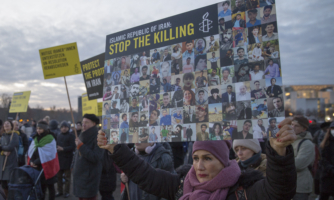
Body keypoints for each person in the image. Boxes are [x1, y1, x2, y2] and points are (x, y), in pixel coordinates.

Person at [97, 116, 297, 200]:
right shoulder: (181, 185)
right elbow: (145, 175)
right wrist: (116, 148)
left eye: (208, 158)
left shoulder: (242, 190)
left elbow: (279, 191)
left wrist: (279, 152)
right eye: (195, 158)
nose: (199, 166)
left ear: (223, 160)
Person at [73, 114, 103, 200]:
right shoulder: (82, 134)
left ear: (94, 124)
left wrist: (81, 146)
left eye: (87, 122)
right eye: (83, 122)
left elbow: (96, 157)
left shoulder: (99, 136)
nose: (83, 124)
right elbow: (77, 153)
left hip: (89, 178)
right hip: (80, 177)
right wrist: (73, 166)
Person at [28, 120, 59, 200]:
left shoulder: (50, 138)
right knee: (41, 187)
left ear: (45, 129)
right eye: (37, 128)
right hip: (38, 167)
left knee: (50, 186)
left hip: (48, 166)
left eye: (40, 129)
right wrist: (31, 161)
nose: (38, 130)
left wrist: (35, 162)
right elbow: (33, 151)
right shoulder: (36, 138)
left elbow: (48, 154)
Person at [291, 116, 315, 200]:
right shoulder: (289, 141)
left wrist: (280, 161)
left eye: (296, 126)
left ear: (304, 129)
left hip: (300, 186)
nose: (292, 127)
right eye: (292, 124)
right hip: (286, 185)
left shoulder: (307, 143)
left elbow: (298, 164)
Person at [56, 121, 75, 198]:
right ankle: (59, 191)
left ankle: (66, 192)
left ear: (68, 128)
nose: (64, 128)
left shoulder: (71, 136)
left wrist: (63, 149)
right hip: (59, 159)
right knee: (58, 177)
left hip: (67, 159)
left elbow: (72, 147)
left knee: (67, 178)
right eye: (62, 127)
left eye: (65, 127)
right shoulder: (59, 135)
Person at [0, 121, 19, 197]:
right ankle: (6, 197)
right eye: (5, 124)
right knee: (3, 183)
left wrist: (1, 148)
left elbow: (10, 147)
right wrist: (3, 152)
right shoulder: (2, 136)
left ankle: (12, 197)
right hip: (2, 162)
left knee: (10, 182)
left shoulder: (14, 135)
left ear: (11, 126)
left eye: (8, 124)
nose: (6, 125)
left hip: (11, 161)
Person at [318, 121, 334, 200]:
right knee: (324, 196)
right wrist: (330, 168)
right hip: (327, 177)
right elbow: (323, 159)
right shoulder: (326, 143)